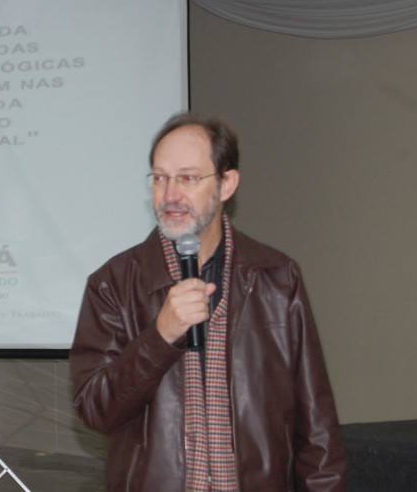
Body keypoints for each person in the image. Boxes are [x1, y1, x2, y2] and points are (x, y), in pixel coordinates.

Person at [69, 112, 345, 491]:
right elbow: (94, 411)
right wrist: (160, 336)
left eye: (188, 178)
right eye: (160, 177)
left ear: (227, 183)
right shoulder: (114, 283)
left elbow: (317, 430)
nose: (170, 195)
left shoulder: (277, 277)